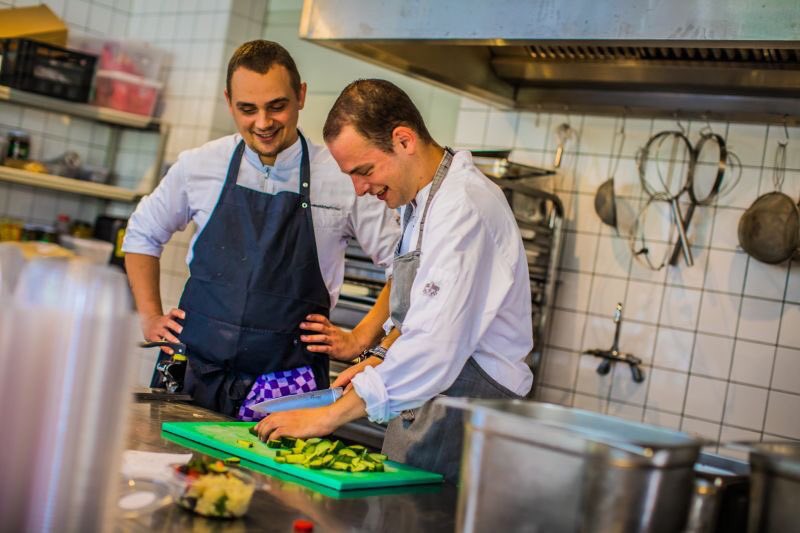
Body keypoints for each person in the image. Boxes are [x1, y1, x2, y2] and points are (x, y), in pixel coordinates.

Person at [256, 79, 534, 482]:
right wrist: (377, 357)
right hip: (436, 404)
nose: (360, 189)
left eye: (364, 171)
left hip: (468, 417)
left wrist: (327, 418)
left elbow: (433, 346)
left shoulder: (463, 209)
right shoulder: (423, 200)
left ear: (403, 140)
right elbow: (414, 316)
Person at [123, 42, 400, 418]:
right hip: (190, 372)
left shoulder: (339, 174)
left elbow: (403, 264)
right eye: (247, 109)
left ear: (300, 95)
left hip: (288, 386)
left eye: (277, 106)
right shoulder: (201, 165)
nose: (263, 123)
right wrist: (150, 317)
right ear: (229, 101)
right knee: (173, 467)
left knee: (270, 477)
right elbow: (141, 234)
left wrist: (362, 337)